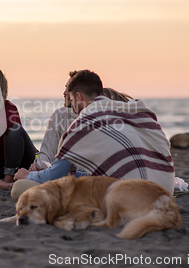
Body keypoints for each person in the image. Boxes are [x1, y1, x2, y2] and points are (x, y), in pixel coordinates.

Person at [12, 70, 175, 200]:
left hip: (128, 198)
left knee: (20, 189)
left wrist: (28, 175)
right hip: (164, 191)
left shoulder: (84, 122)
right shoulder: (133, 110)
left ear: (78, 96)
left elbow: (54, 175)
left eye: (70, 98)